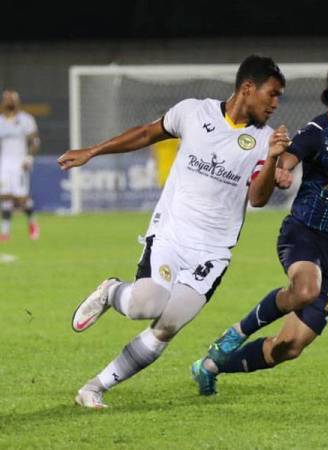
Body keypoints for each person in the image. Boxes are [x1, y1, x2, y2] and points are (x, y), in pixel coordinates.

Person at [57, 55, 290, 408]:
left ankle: (94, 388)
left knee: (166, 327)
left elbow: (258, 199)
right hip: (171, 234)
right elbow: (146, 133)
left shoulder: (265, 140)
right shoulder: (194, 112)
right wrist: (93, 151)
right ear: (247, 88)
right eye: (271, 94)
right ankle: (111, 291)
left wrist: (273, 158)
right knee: (145, 304)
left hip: (212, 253)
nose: (275, 104)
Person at [192, 56, 328, 396]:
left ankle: (209, 366)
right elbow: (287, 160)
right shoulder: (315, 133)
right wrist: (281, 171)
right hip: (303, 234)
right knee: (306, 290)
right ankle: (236, 332)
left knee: (289, 348)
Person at [0, 90, 41, 241]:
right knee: (4, 196)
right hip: (4, 163)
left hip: (20, 162)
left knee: (21, 199)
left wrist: (29, 158)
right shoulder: (0, 121)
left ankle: (33, 224)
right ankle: (5, 232)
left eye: (11, 99)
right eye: (6, 99)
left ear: (17, 102)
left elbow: (34, 141)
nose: (8, 102)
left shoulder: (26, 119)